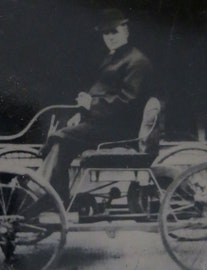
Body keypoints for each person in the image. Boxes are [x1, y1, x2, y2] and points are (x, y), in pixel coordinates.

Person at [37, 8, 155, 203]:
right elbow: (102, 92)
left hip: (121, 131)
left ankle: (42, 193)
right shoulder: (114, 58)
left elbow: (127, 102)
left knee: (62, 137)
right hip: (104, 124)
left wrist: (91, 105)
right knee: (62, 136)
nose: (110, 37)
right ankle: (55, 196)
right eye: (105, 33)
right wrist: (83, 112)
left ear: (126, 30)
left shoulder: (137, 62)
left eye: (114, 31)